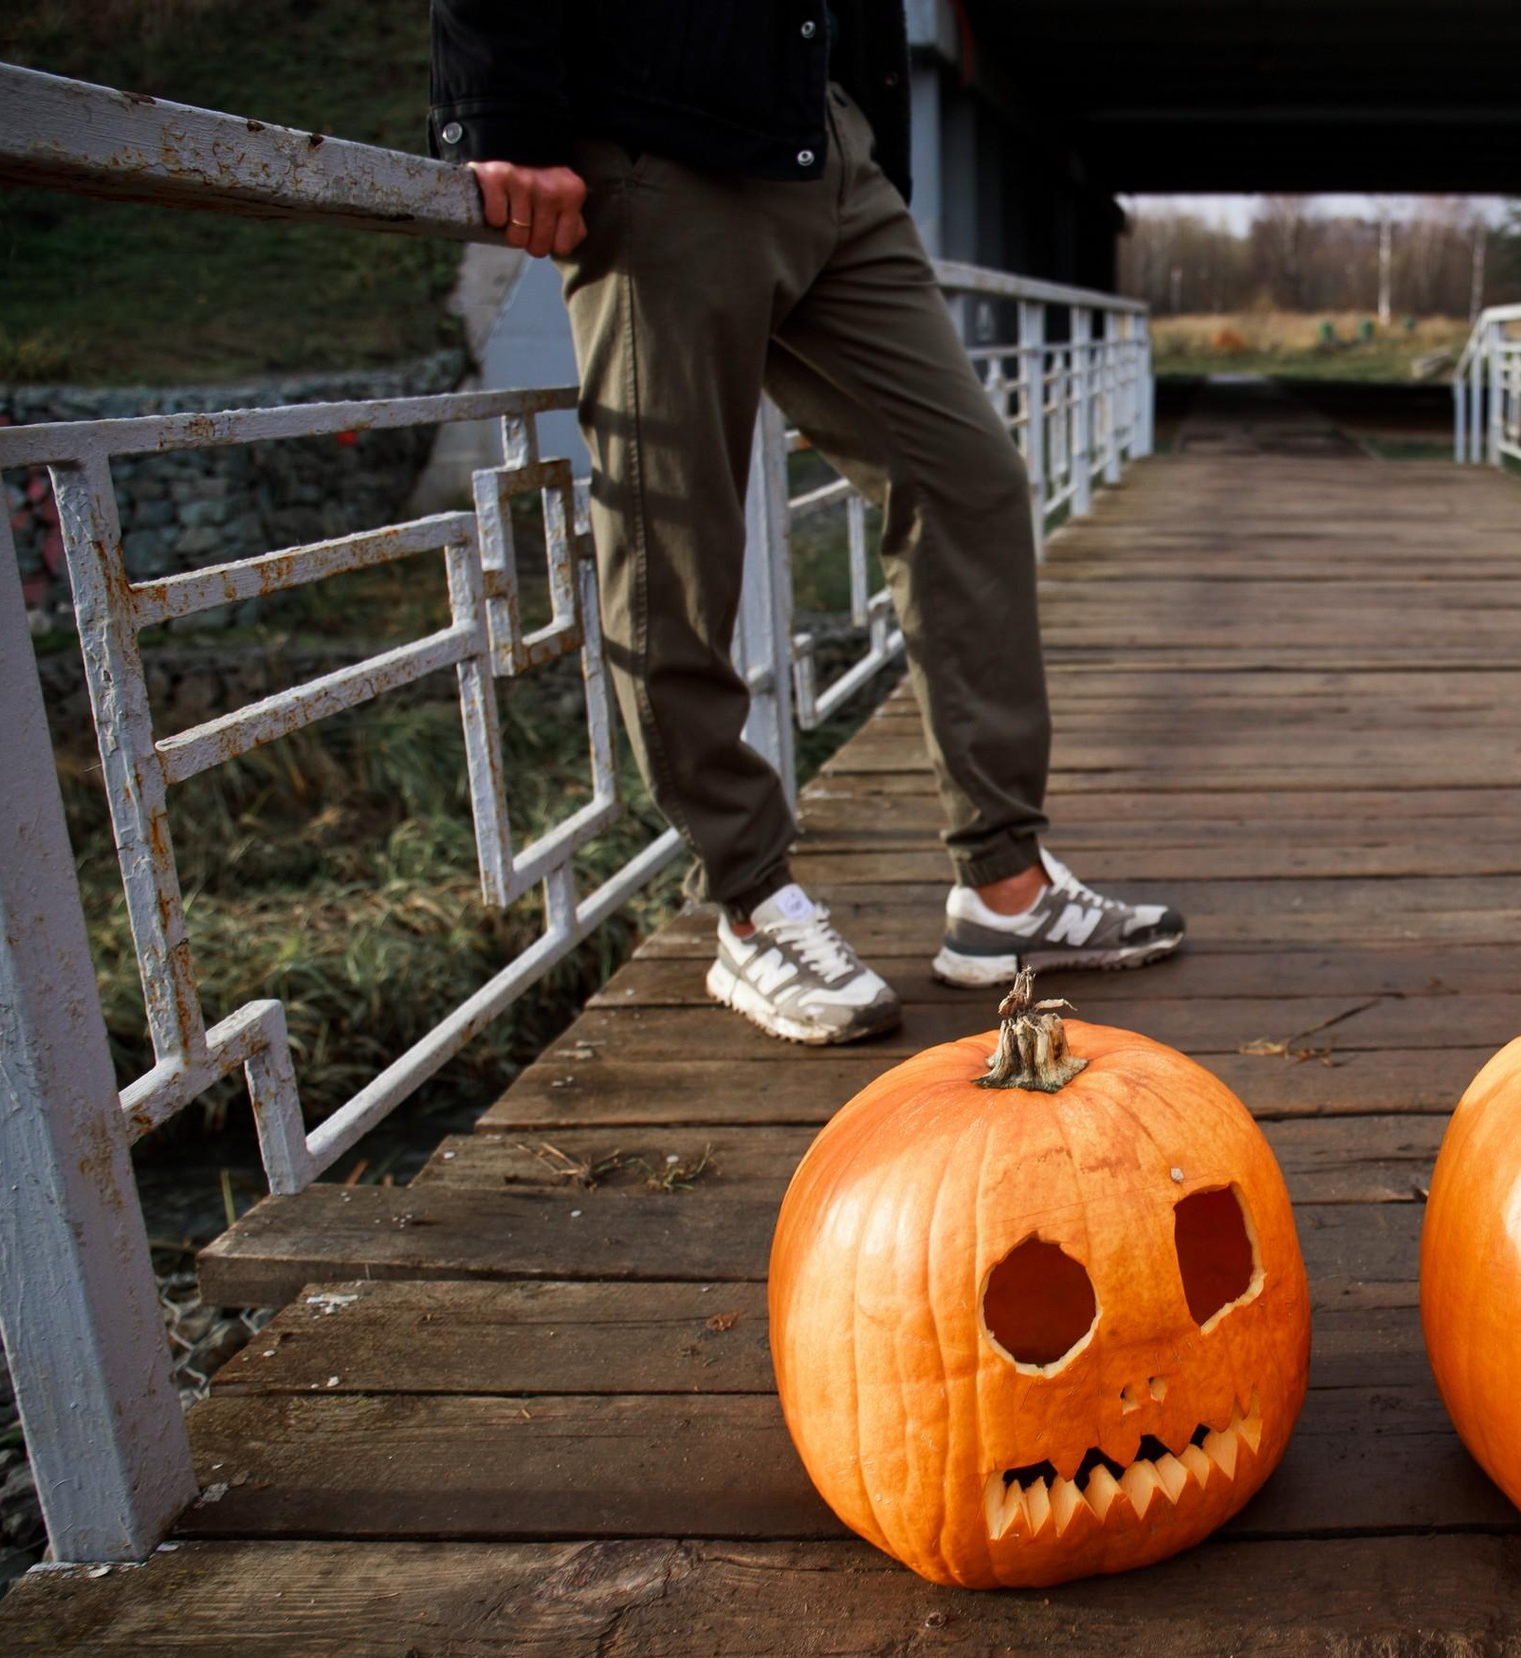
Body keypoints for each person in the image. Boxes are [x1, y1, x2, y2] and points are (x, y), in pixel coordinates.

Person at [428, 2, 1184, 1046]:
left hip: (826, 139)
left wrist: (871, 145)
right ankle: (749, 898)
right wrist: (502, 112)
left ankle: (1004, 887)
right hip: (662, 130)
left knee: (969, 481)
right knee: (676, 534)